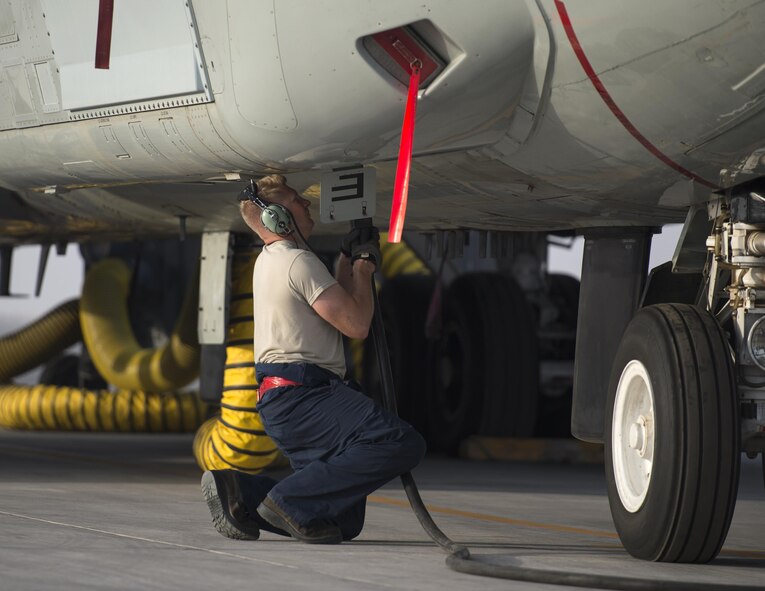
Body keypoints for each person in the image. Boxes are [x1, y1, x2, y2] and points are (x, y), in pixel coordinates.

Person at [201, 174, 426, 544]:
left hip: (285, 400)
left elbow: (330, 302)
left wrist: (345, 257)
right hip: (305, 396)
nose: (307, 204)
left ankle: (241, 491)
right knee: (400, 442)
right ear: (277, 217)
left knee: (342, 524)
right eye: (296, 200)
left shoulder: (273, 260)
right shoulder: (297, 262)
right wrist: (364, 268)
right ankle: (286, 499)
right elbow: (355, 324)